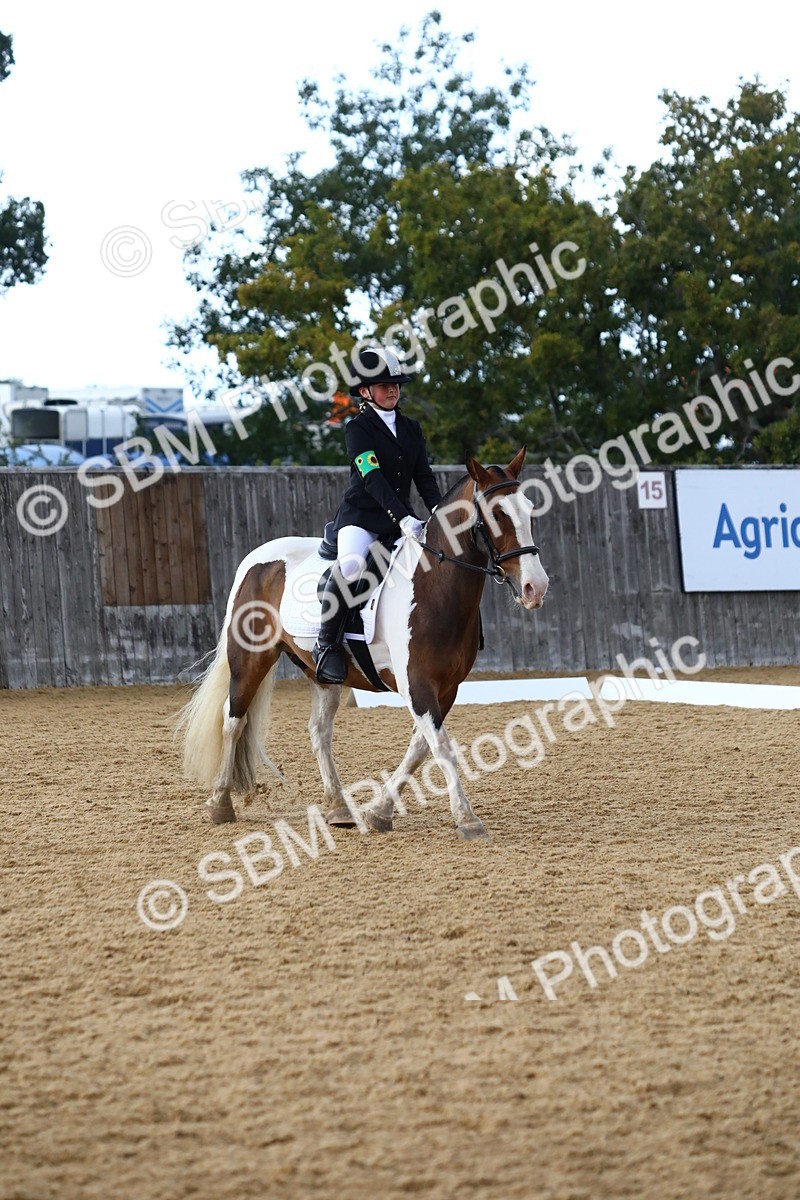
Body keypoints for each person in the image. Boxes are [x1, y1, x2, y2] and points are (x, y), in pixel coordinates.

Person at [312, 347, 444, 684]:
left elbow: (424, 477)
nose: (392, 390)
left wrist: (441, 512)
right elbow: (372, 479)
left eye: (396, 384)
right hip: (361, 518)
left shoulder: (412, 428)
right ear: (365, 391)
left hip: (402, 521)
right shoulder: (358, 429)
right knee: (353, 566)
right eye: (383, 384)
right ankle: (326, 644)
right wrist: (402, 518)